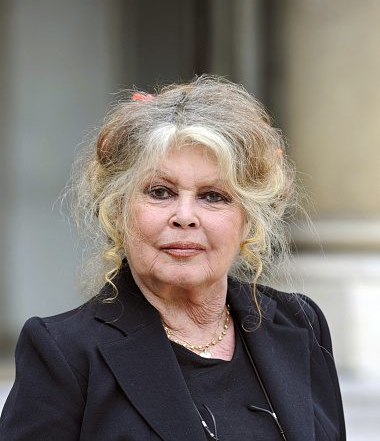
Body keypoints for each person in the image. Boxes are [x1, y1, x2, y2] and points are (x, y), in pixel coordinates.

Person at [0, 76, 345, 440]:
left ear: (248, 220)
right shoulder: (63, 352)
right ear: (117, 211)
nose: (185, 215)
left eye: (213, 196)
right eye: (160, 192)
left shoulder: (299, 323)